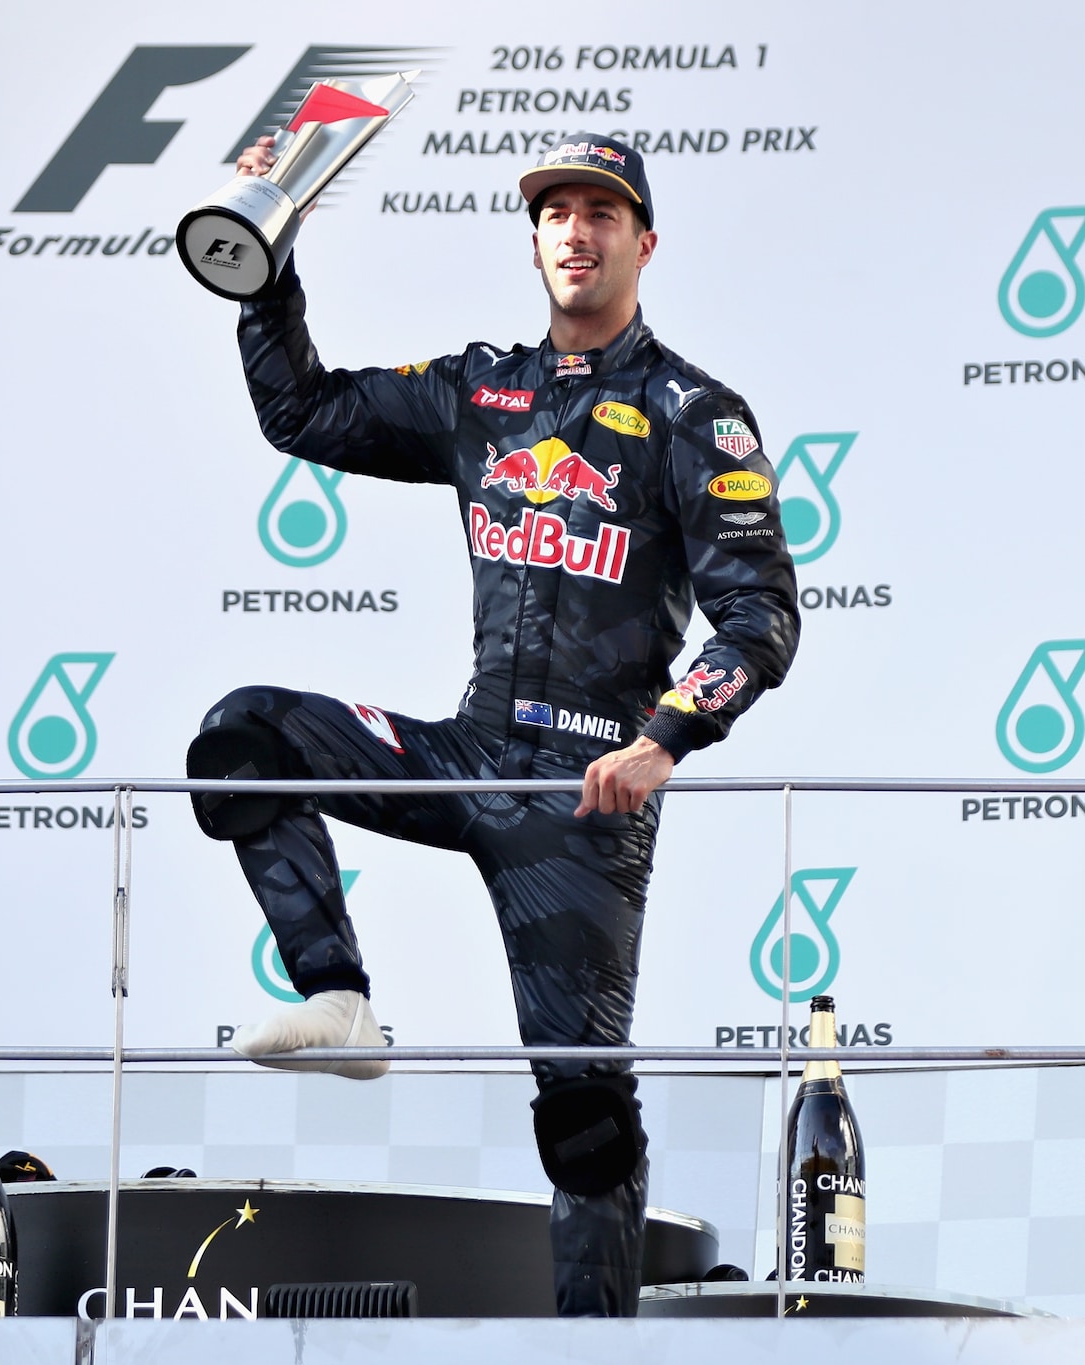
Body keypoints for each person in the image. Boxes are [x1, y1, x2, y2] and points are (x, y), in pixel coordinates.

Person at [188, 133, 800, 1316]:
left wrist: (664, 740)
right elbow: (300, 412)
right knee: (242, 737)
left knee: (584, 1121)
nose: (575, 232)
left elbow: (759, 615)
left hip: (584, 797)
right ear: (531, 242)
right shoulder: (481, 391)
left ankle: (594, 1349)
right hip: (465, 756)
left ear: (644, 243)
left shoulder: (694, 413)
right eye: (555, 213)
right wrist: (265, 264)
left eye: (600, 214)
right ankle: (337, 997)